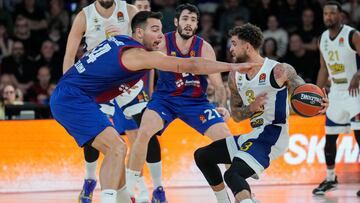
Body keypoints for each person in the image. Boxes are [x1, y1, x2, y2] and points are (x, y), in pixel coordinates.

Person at [50, 11, 257, 203]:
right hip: (74, 98)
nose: (161, 35)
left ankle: (123, 197)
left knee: (115, 151)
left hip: (74, 95)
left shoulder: (122, 41)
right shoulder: (139, 55)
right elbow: (191, 65)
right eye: (155, 30)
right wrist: (233, 66)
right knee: (117, 147)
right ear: (139, 32)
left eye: (161, 29)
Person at [194, 23, 328, 203]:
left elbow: (303, 93)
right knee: (202, 156)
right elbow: (236, 115)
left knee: (233, 175)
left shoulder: (279, 70)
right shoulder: (235, 77)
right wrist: (251, 108)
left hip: (273, 133)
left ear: (247, 46)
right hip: (253, 135)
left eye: (234, 44)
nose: (230, 48)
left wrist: (319, 103)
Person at [126, 4, 231, 203]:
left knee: (226, 140)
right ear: (176, 22)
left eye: (193, 20)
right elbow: (140, 61)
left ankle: (234, 196)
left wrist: (222, 106)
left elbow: (217, 83)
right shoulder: (162, 42)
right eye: (185, 19)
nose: (188, 23)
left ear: (197, 24)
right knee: (144, 133)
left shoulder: (204, 48)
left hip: (196, 103)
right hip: (165, 100)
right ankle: (130, 189)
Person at [61, 1, 143, 202]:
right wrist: (69, 87)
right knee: (98, 134)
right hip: (97, 83)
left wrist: (125, 38)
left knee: (144, 132)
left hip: (126, 81)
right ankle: (90, 180)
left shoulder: (130, 11)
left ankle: (136, 188)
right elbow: (69, 55)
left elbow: (146, 43)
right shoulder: (84, 16)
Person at [313, 1, 360, 196]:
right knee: (330, 138)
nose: (329, 17)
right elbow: (324, 69)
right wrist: (316, 93)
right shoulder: (322, 38)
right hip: (336, 93)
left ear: (341, 15)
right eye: (326, 14)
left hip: (356, 93)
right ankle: (331, 178)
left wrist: (358, 74)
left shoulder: (352, 35)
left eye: (332, 14)